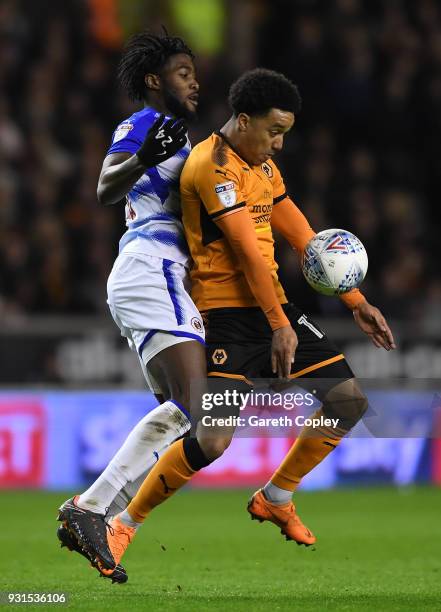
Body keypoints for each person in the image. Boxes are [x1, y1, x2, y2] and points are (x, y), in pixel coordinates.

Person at [73, 68, 396, 579]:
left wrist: (354, 299)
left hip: (273, 310)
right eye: (273, 131)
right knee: (215, 438)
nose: (280, 144)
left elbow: (299, 234)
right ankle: (124, 522)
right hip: (226, 317)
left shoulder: (263, 168)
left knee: (347, 401)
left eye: (285, 132)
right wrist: (279, 324)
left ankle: (277, 494)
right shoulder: (211, 165)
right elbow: (247, 251)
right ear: (242, 121)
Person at [56, 30, 206, 583]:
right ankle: (91, 509)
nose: (195, 80)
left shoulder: (183, 141)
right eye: (183, 71)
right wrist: (142, 156)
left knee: (181, 411)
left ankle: (94, 513)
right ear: (154, 80)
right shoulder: (144, 125)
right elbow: (104, 188)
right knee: (191, 404)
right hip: (151, 268)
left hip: (158, 276)